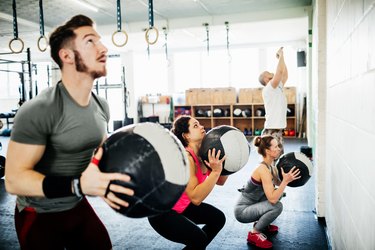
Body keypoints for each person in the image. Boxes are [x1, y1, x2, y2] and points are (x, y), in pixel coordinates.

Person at [5, 15, 134, 249]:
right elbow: (14, 180)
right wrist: (77, 185)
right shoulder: (40, 109)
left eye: (100, 41)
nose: (103, 47)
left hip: (76, 205)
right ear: (67, 56)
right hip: (40, 212)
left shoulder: (100, 105)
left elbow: (102, 153)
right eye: (90, 42)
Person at [148, 115, 228, 249]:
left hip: (181, 206)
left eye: (200, 124)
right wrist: (215, 172)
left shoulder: (203, 154)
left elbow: (220, 180)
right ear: (186, 136)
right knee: (199, 239)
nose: (202, 127)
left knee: (218, 219)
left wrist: (226, 164)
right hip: (161, 212)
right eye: (195, 126)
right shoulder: (185, 158)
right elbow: (196, 198)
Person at [234, 136, 300, 249]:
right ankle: (254, 233)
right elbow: (273, 199)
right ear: (268, 151)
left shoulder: (270, 167)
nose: (279, 149)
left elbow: (279, 184)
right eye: (276, 146)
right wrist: (285, 181)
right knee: (277, 205)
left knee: (277, 193)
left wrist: (288, 177)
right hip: (242, 211)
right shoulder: (262, 169)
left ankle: (263, 225)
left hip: (253, 205)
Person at [258, 47, 288, 154]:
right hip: (272, 129)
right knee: (273, 157)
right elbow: (279, 72)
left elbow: (284, 74)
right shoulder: (269, 88)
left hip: (277, 128)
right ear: (266, 79)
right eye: (268, 72)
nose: (271, 72)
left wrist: (281, 58)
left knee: (278, 156)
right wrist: (281, 55)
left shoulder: (277, 86)